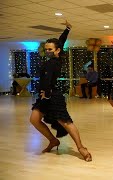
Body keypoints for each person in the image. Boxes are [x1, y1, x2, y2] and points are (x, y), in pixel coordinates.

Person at [29, 20, 92, 162]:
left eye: (50, 49)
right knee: (34, 119)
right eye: (46, 49)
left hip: (52, 95)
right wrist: (68, 29)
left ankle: (81, 147)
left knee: (66, 122)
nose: (48, 51)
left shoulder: (54, 63)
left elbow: (47, 79)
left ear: (57, 51)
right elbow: (61, 42)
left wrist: (47, 92)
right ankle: (53, 141)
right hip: (44, 96)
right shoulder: (55, 57)